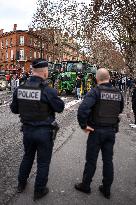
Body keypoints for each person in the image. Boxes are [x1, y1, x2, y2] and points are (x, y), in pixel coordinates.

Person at [10, 58, 64, 201]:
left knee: (27, 157)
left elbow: (14, 109)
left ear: (32, 71)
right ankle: (39, 191)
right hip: (44, 132)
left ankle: (21, 184)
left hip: (27, 131)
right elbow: (60, 107)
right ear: (45, 72)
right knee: (43, 162)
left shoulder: (20, 88)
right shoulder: (48, 90)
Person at [75, 68, 124, 199]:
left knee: (91, 160)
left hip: (96, 131)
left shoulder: (95, 92)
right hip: (111, 131)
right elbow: (120, 108)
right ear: (109, 78)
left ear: (97, 79)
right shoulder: (118, 92)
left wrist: (84, 125)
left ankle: (86, 185)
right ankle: (106, 189)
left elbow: (83, 109)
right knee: (108, 161)